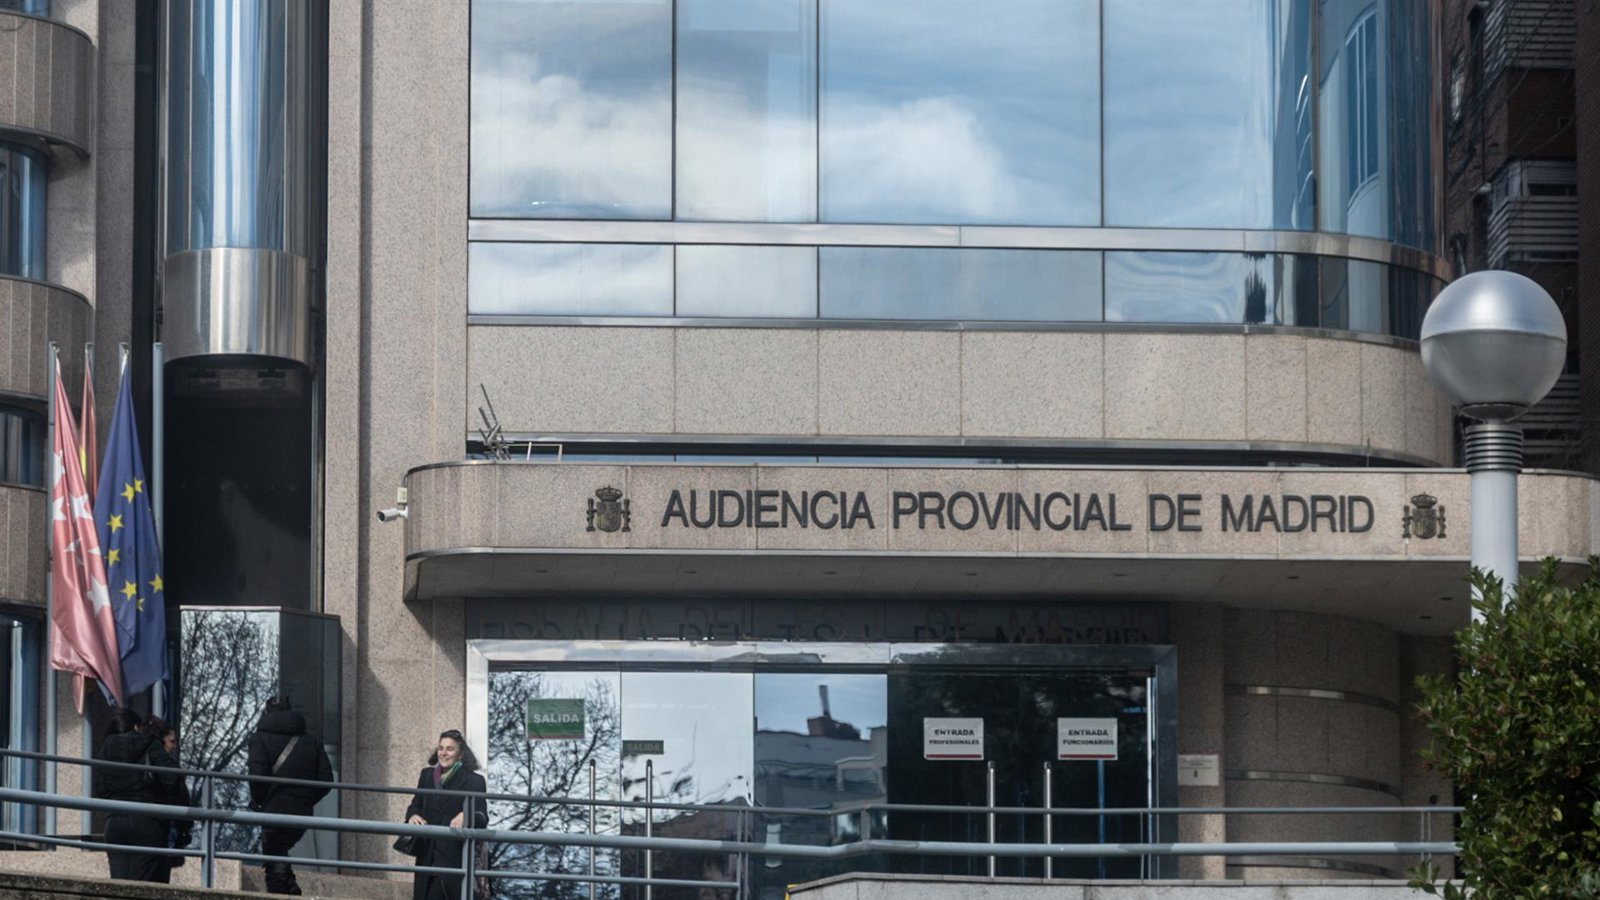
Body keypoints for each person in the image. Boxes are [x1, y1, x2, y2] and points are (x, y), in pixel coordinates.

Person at [247, 695, 335, 896]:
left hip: (272, 811)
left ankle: (284, 888)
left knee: (273, 861)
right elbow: (326, 780)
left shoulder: (259, 738)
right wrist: (304, 798)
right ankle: (291, 884)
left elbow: (257, 778)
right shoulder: (311, 740)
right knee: (278, 851)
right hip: (301, 813)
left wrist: (260, 802)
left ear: (267, 713)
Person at [93, 707, 182, 883]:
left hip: (115, 822)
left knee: (118, 888)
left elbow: (100, 789)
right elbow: (172, 777)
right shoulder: (149, 743)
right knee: (141, 886)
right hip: (147, 822)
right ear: (135, 727)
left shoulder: (106, 749)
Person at [405, 729, 488, 900]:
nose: (443, 753)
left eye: (450, 749)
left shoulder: (474, 781)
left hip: (454, 859)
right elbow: (415, 805)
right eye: (441, 748)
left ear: (461, 754)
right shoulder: (427, 775)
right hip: (426, 857)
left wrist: (467, 814)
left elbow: (482, 816)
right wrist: (413, 816)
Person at [142, 716, 195, 877]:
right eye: (171, 741)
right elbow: (177, 793)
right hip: (162, 827)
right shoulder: (163, 766)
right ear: (161, 741)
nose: (174, 746)